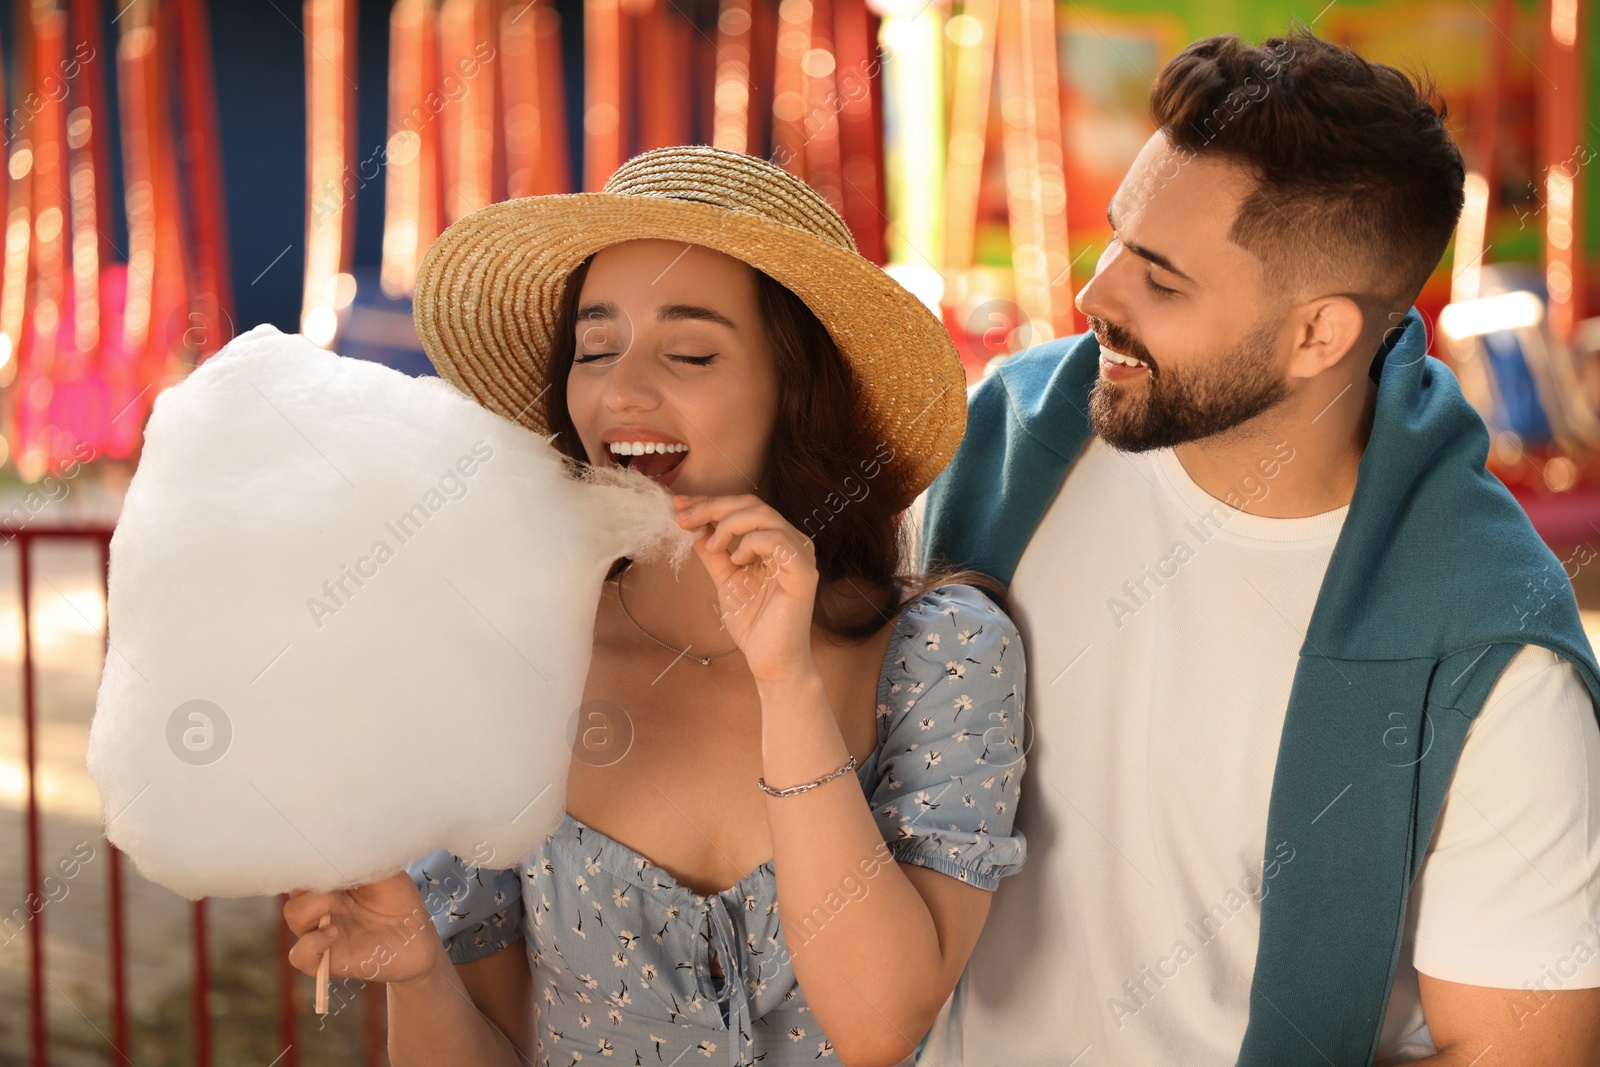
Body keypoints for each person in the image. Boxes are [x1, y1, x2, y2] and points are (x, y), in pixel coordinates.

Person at [916, 27, 1600, 1067]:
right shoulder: (1003, 442)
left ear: (1318, 335)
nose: (1094, 296)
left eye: (1161, 277)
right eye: (1115, 240)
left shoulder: (1492, 652)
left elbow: (1520, 1052)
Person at [282, 145, 1029, 1067]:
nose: (620, 389)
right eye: (595, 348)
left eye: (689, 351)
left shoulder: (947, 653)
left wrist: (785, 681)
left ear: (797, 392)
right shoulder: (514, 655)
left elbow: (879, 1023)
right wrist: (414, 968)